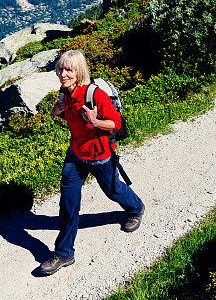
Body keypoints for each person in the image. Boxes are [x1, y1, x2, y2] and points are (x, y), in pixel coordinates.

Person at [39, 49, 144, 276]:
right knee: (68, 203)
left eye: (68, 70)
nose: (63, 75)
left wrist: (96, 121)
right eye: (60, 70)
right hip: (75, 155)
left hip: (99, 156)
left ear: (79, 72)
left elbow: (115, 124)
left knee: (113, 191)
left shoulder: (94, 95)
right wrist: (56, 111)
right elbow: (69, 117)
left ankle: (136, 208)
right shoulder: (64, 93)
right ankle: (64, 253)